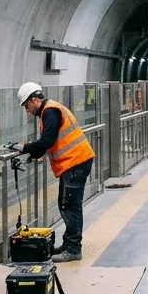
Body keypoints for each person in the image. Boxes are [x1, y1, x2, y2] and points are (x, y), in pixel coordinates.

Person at [17, 82, 96, 263]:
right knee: (65, 203)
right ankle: (69, 245)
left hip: (75, 163)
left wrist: (24, 148)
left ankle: (74, 249)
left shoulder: (50, 112)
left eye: (26, 105)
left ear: (35, 100)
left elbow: (46, 141)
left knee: (70, 205)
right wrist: (33, 152)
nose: (27, 110)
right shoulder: (49, 110)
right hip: (74, 163)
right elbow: (48, 143)